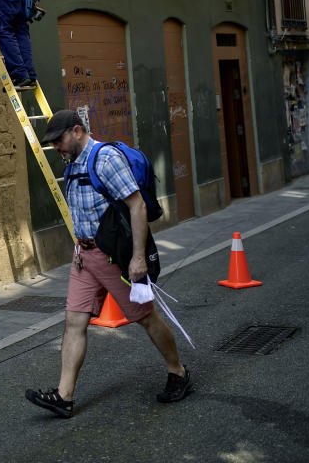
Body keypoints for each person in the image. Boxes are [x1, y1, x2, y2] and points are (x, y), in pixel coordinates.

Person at [25, 110, 191, 418]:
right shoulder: (73, 163)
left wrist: (138, 258)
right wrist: (78, 248)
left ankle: (178, 371)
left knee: (145, 317)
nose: (55, 147)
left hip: (114, 257)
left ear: (77, 131)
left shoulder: (105, 160)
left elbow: (137, 204)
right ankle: (64, 396)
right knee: (74, 322)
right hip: (85, 257)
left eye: (58, 140)